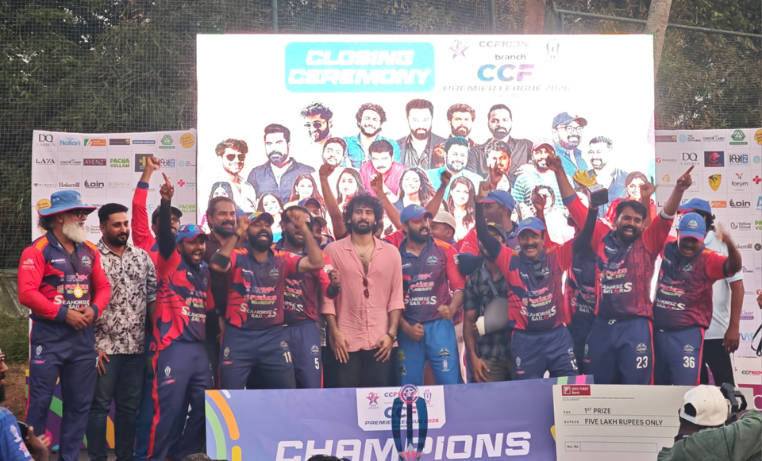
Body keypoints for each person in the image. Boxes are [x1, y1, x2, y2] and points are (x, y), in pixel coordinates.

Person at [556, 155, 693, 385]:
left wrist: (679, 189)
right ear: (615, 219)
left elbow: (665, 217)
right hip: (602, 324)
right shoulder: (600, 236)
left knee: (636, 390)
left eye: (637, 220)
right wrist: (559, 170)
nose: (631, 223)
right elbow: (574, 205)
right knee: (598, 387)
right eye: (626, 218)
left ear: (642, 224)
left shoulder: (648, 242)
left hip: (636, 325)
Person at [18, 190, 111, 461]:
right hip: (49, 337)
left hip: (82, 339)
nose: (83, 217)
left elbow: (104, 287)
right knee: (40, 402)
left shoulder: (90, 250)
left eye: (84, 212)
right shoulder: (36, 250)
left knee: (79, 405)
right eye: (77, 212)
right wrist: (63, 314)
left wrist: (94, 309)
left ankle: (69, 459)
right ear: (59, 217)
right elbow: (27, 293)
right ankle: (33, 458)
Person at [209, 208, 326, 390]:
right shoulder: (237, 255)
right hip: (238, 336)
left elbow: (317, 262)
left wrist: (303, 228)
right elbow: (216, 265)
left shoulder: (282, 258)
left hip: (273, 337)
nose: (263, 228)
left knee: (286, 394)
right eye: (257, 225)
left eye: (267, 225)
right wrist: (237, 233)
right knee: (228, 396)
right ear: (247, 232)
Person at [473, 181, 578, 379]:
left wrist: (592, 209)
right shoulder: (510, 259)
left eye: (534, 237)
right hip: (524, 339)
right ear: (518, 239)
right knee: (529, 391)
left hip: (557, 336)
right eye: (524, 237)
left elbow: (585, 236)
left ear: (543, 238)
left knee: (569, 388)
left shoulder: (555, 256)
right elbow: (484, 236)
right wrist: (479, 203)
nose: (529, 242)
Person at [147, 174, 213, 461]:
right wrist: (166, 201)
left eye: (202, 242)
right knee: (168, 412)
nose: (199, 247)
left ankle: (183, 456)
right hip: (171, 348)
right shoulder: (169, 260)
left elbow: (210, 309)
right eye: (192, 243)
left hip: (198, 350)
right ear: (179, 245)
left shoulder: (205, 271)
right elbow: (164, 237)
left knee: (204, 410)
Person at [87, 203, 156, 461]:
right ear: (103, 227)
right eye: (117, 225)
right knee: (99, 408)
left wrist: (156, 338)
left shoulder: (142, 257)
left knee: (128, 409)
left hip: (136, 348)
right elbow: (81, 302)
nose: (123, 229)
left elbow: (152, 297)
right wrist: (91, 346)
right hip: (103, 348)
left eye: (125, 224)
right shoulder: (90, 257)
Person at [321, 195, 404, 387]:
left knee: (378, 398)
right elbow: (326, 298)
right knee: (346, 397)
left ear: (376, 220)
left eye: (368, 212)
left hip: (381, 339)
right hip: (344, 339)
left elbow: (396, 298)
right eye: (358, 212)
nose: (364, 216)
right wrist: (334, 332)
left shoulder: (392, 253)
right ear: (349, 218)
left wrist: (391, 335)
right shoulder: (332, 251)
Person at [653, 213, 741, 386]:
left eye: (694, 240)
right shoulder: (668, 246)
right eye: (686, 238)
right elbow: (653, 229)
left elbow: (734, 267)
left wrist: (730, 245)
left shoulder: (709, 258)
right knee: (658, 388)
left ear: (703, 237)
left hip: (687, 334)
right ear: (678, 233)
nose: (689, 244)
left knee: (687, 388)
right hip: (659, 332)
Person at [677, 199, 745, 386]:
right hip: (687, 333)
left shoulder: (718, 242)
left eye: (686, 213)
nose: (681, 217)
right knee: (696, 390)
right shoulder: (679, 242)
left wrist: (734, 327)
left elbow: (737, 286)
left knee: (726, 388)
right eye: (681, 214)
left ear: (702, 217)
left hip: (715, 333)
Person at [395, 205, 465, 385]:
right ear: (405, 227)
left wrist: (452, 308)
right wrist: (405, 327)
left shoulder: (445, 249)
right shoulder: (394, 254)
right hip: (408, 327)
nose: (424, 225)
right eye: (417, 221)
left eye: (426, 220)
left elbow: (460, 288)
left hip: (440, 326)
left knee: (450, 385)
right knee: (408, 388)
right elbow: (387, 298)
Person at [275, 206, 340, 388]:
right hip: (273, 329)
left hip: (305, 328)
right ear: (283, 225)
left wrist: (336, 285)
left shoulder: (319, 256)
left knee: (312, 387)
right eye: (296, 224)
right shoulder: (270, 252)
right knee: (278, 389)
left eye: (306, 225)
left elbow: (329, 292)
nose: (301, 229)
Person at [463, 223, 514, 382]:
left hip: (519, 351)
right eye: (484, 238)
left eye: (494, 238)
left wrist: (490, 323)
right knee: (486, 397)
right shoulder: (474, 279)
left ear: (504, 243)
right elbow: (468, 321)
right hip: (488, 353)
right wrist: (473, 358)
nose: (488, 242)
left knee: (525, 395)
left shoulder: (516, 271)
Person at [657, 385, 762, 460]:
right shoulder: (715, 443)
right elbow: (758, 424)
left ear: (680, 414)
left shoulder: (666, 456)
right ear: (715, 427)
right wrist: (742, 415)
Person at [202, 196, 240, 388]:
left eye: (232, 214)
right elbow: (199, 285)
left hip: (245, 327)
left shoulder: (245, 244)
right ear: (209, 218)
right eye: (222, 213)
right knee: (216, 385)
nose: (229, 218)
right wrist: (216, 317)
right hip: (212, 327)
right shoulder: (202, 244)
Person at [0, 346, 52, 461]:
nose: (5, 368)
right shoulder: (3, 419)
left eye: (3, 359)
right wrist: (42, 453)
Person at [132, 155, 183, 264]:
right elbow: (138, 204)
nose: (171, 222)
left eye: (175, 220)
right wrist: (148, 170)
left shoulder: (187, 248)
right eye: (166, 219)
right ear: (154, 228)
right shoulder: (145, 242)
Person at [248, 124, 315, 203]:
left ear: (288, 145)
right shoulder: (256, 174)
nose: (274, 148)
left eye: (279, 143)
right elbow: (249, 206)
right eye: (269, 144)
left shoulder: (307, 171)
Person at [470, 104, 532, 180]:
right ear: (488, 123)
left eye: (505, 120)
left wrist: (534, 168)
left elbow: (544, 164)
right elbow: (470, 180)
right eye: (494, 121)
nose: (500, 124)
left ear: (511, 122)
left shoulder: (525, 146)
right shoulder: (476, 153)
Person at [460, 175, 519, 254]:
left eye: (487, 206)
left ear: (504, 210)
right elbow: (463, 258)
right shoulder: (474, 234)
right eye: (483, 206)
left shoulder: (522, 234)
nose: (483, 210)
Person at [512, 139, 567, 219]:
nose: (543, 156)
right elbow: (516, 209)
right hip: (532, 225)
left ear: (554, 154)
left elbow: (572, 207)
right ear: (532, 155)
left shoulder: (565, 179)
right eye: (538, 152)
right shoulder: (522, 179)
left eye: (547, 152)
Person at [344, 103, 401, 167]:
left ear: (380, 124)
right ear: (359, 121)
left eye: (375, 120)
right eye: (367, 118)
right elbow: (341, 170)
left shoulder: (391, 144)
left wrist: (352, 170)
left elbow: (396, 171)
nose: (370, 123)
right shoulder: (346, 143)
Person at [396, 99, 446, 170]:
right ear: (408, 120)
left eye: (425, 120)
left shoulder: (446, 145)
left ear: (432, 119)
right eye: (415, 120)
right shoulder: (395, 146)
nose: (420, 125)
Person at [587, 136, 627, 218]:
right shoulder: (582, 179)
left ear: (610, 152)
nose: (594, 156)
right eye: (591, 152)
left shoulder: (626, 178)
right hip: (592, 225)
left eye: (599, 152)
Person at [213, 138, 257, 212]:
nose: (237, 161)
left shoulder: (248, 187)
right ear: (220, 159)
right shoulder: (212, 185)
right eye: (231, 156)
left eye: (241, 157)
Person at [432, 103, 477, 169]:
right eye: (458, 119)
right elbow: (440, 173)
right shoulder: (440, 150)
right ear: (449, 122)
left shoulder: (478, 150)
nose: (462, 123)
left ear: (472, 122)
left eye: (466, 120)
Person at [551, 112, 589, 177]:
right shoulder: (550, 158)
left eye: (579, 128)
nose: (575, 133)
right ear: (555, 132)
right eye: (569, 128)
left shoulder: (580, 157)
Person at [445, 177, 476, 242]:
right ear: (451, 192)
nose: (461, 196)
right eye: (458, 191)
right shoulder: (444, 211)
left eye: (466, 192)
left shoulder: (475, 215)